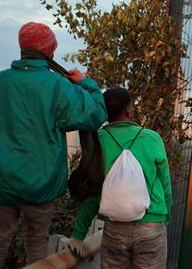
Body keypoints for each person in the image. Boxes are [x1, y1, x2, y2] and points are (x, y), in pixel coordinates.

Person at [0, 22, 107, 267]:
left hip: (0, 184)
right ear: (51, 51)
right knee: (37, 246)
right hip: (41, 186)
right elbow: (96, 114)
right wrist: (86, 83)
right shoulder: (58, 86)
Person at [67, 87, 172, 269]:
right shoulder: (151, 138)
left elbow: (92, 191)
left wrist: (78, 234)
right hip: (151, 227)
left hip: (115, 229)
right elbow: (165, 185)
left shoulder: (98, 140)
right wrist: (164, 217)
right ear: (128, 110)